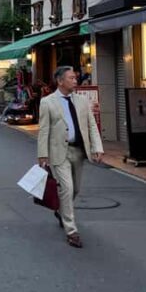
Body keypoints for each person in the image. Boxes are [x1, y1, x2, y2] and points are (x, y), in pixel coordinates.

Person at [37, 65, 104, 249]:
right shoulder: (47, 102)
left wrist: (98, 147)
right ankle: (71, 231)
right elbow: (44, 130)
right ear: (60, 81)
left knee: (75, 189)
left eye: (75, 78)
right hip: (60, 152)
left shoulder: (82, 101)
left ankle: (60, 209)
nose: (75, 80)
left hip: (79, 151)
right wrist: (42, 154)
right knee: (66, 188)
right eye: (71, 78)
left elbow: (91, 125)